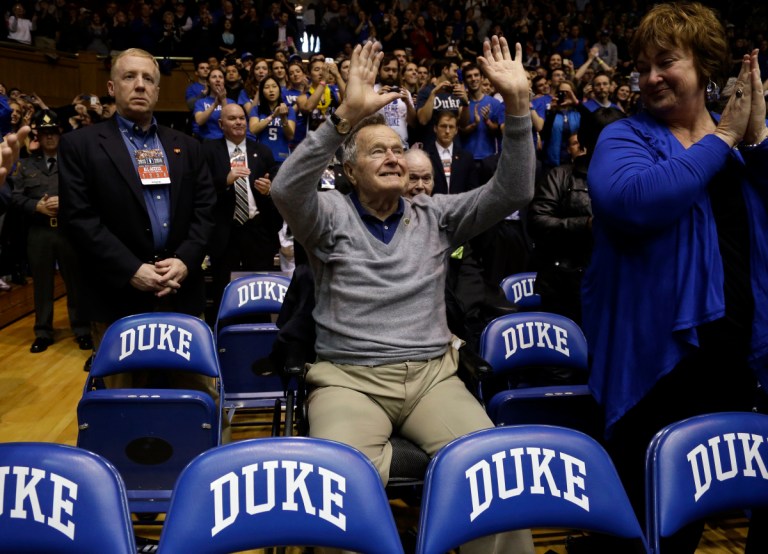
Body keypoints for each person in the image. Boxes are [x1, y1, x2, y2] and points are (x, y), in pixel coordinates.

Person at [270, 37, 536, 554]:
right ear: (349, 172)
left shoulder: (437, 217)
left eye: (398, 149)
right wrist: (342, 118)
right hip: (350, 381)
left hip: (432, 378)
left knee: (495, 474)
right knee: (336, 483)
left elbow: (514, 192)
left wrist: (519, 108)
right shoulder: (328, 218)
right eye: (378, 151)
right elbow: (285, 190)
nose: (393, 157)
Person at [582, 4, 768, 552]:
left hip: (738, 367)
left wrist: (754, 142)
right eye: (642, 67)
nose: (650, 77)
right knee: (650, 537)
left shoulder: (737, 150)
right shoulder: (625, 137)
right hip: (658, 374)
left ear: (706, 65)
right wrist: (726, 135)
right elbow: (632, 203)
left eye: (666, 62)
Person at [58, 48, 216, 356]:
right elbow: (79, 219)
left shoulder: (188, 146)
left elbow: (206, 210)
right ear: (112, 88)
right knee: (124, 397)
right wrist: (132, 269)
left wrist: (184, 260)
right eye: (129, 76)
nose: (140, 85)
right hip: (116, 296)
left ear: (157, 90)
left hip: (181, 291)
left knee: (190, 395)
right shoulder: (80, 145)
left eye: (148, 78)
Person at [528, 107, 625, 325]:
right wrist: (586, 224)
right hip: (565, 285)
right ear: (587, 141)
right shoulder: (560, 176)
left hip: (616, 283)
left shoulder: (631, 178)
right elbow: (537, 221)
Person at [10, 110, 91, 353]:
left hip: (68, 231)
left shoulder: (74, 163)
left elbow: (87, 193)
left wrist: (64, 203)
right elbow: (14, 197)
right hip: (40, 232)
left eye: (52, 133)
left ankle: (82, 329)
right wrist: (36, 206)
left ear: (60, 134)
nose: (49, 138)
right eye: (44, 134)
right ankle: (43, 331)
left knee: (75, 283)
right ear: (38, 136)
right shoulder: (25, 165)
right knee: (42, 285)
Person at [203, 103, 281, 317]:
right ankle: (222, 340)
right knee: (222, 291)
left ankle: (259, 338)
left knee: (258, 291)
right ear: (221, 124)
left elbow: (274, 178)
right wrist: (225, 181)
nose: (238, 122)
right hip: (224, 231)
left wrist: (269, 189)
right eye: (232, 118)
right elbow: (200, 187)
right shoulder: (208, 150)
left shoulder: (262, 151)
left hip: (256, 231)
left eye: (241, 118)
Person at [425, 111, 477, 194]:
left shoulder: (467, 158)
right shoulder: (425, 156)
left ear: (456, 130)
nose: (447, 131)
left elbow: (472, 190)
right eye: (443, 126)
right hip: (433, 205)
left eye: (451, 127)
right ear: (435, 128)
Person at [249, 76, 296, 163]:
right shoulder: (256, 109)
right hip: (261, 157)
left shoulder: (289, 109)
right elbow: (253, 130)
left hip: (282, 157)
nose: (271, 90)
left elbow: (290, 136)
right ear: (262, 92)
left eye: (274, 86)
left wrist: (283, 118)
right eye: (267, 87)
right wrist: (272, 116)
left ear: (279, 89)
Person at [193, 67, 229, 140]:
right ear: (208, 82)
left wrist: (223, 100)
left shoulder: (231, 102)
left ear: (224, 81)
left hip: (227, 140)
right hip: (207, 141)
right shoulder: (201, 102)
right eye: (214, 77)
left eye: (220, 77)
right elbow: (199, 121)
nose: (218, 80)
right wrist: (214, 105)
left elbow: (229, 120)